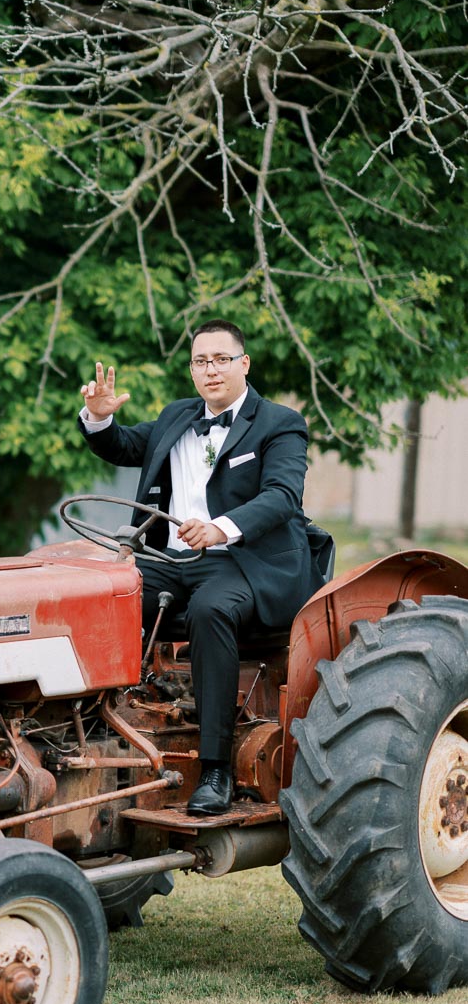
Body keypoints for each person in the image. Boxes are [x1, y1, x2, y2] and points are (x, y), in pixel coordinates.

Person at [78, 318, 323, 816]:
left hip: (245, 563)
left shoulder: (280, 423)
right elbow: (123, 445)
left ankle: (215, 770)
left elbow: (282, 497)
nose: (211, 370)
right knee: (103, 597)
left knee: (210, 610)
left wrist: (220, 528)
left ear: (243, 364)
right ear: (191, 370)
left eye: (221, 360)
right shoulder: (177, 415)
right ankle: (91, 731)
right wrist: (98, 418)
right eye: (200, 361)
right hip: (171, 561)